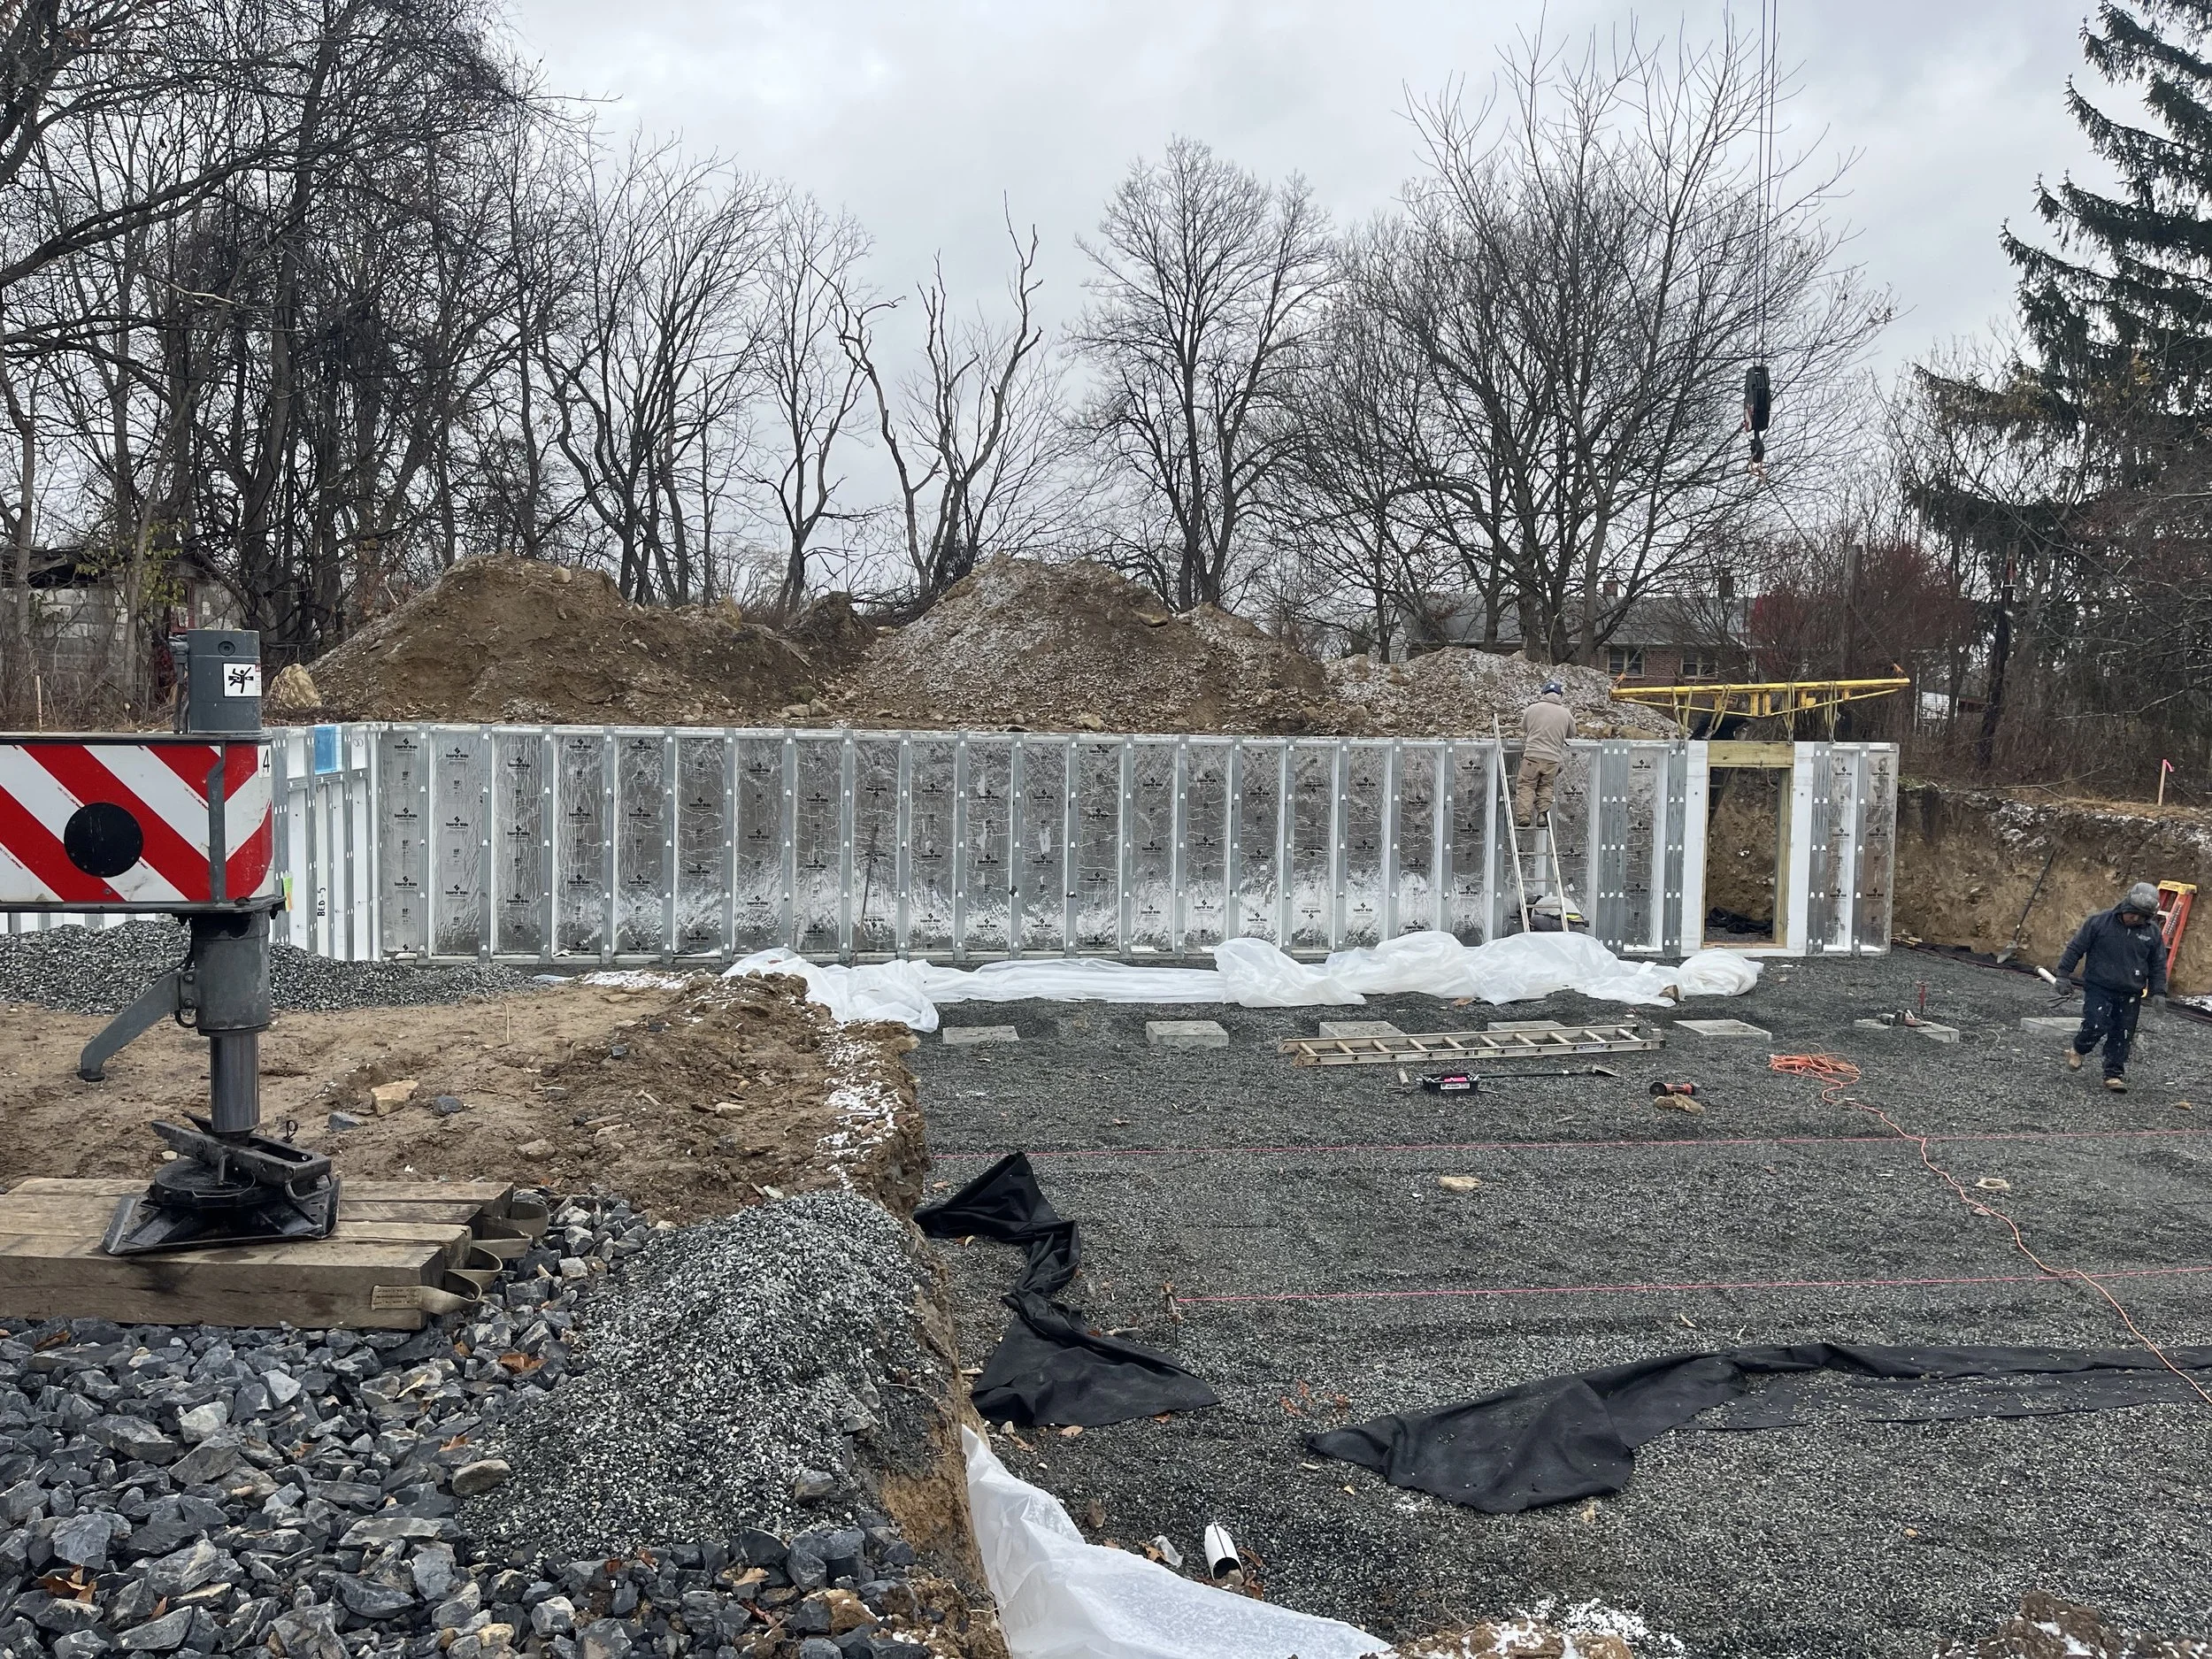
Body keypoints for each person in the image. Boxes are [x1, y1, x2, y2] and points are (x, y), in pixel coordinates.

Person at [2055, 881, 2169, 1093]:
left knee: (2122, 1034)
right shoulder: (2099, 923)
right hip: (2099, 987)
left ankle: (2113, 1075)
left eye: (2142, 916)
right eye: (2133, 913)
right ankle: (2078, 1048)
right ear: (2126, 906)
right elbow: (2075, 948)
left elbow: (2157, 964)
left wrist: (2159, 992)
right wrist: (2063, 975)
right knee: (2096, 1024)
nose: (2135, 919)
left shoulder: (2152, 934)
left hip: (2131, 992)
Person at [1515, 682, 1575, 827]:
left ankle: (1524, 817)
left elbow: (1523, 727)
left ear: (1544, 693)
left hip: (1532, 755)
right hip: (1552, 758)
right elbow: (1572, 733)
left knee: (1526, 785)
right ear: (1560, 695)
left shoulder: (1532, 709)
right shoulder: (1566, 713)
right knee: (1546, 786)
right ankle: (1542, 815)